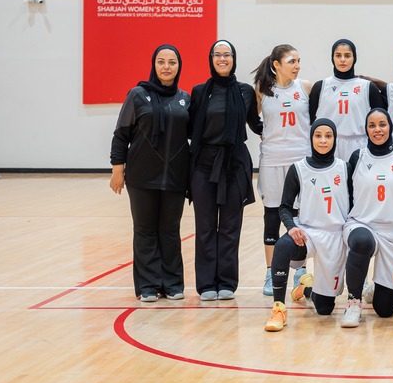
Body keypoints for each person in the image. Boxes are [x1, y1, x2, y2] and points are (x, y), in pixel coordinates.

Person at [109, 44, 191, 302]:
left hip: (175, 178)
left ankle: (173, 284)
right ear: (154, 65)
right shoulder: (137, 95)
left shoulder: (185, 99)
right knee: (145, 231)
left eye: (172, 62)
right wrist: (117, 169)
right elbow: (121, 134)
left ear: (179, 67)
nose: (166, 67)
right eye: (161, 61)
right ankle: (148, 285)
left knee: (170, 231)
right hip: (141, 178)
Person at [189, 40, 263, 301]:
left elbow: (256, 124)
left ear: (234, 59)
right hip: (204, 166)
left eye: (227, 54)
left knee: (231, 227)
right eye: (217, 55)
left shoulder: (245, 91)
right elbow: (189, 128)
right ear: (211, 59)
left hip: (234, 165)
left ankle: (227, 283)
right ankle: (206, 283)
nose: (222, 59)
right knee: (206, 226)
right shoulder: (199, 92)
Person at [265, 119, 349, 331]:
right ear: (311, 138)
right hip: (307, 233)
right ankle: (278, 308)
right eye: (318, 136)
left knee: (324, 308)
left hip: (335, 236)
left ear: (335, 139)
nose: (323, 140)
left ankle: (305, 287)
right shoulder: (298, 168)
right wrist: (291, 227)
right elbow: (284, 207)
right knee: (282, 246)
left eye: (328, 136)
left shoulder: (345, 168)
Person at [340, 109, 393, 327]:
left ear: (390, 126)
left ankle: (376, 286)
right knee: (362, 241)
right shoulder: (357, 157)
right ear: (366, 129)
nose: (377, 130)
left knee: (385, 310)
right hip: (361, 224)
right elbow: (346, 194)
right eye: (372, 125)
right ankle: (353, 302)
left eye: (382, 124)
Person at [253, 44, 312, 297]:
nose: (297, 66)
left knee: (300, 216)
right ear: (276, 64)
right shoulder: (262, 90)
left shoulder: (305, 87)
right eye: (291, 61)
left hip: (300, 160)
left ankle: (301, 271)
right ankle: (271, 272)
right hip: (272, 160)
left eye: (298, 61)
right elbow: (251, 118)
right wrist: (263, 133)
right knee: (272, 216)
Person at [309, 39, 386, 158]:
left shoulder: (367, 87)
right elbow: (310, 120)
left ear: (354, 58)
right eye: (338, 55)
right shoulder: (321, 86)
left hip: (360, 144)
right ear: (332, 58)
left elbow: (381, 120)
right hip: (328, 144)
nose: (342, 59)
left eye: (347, 55)